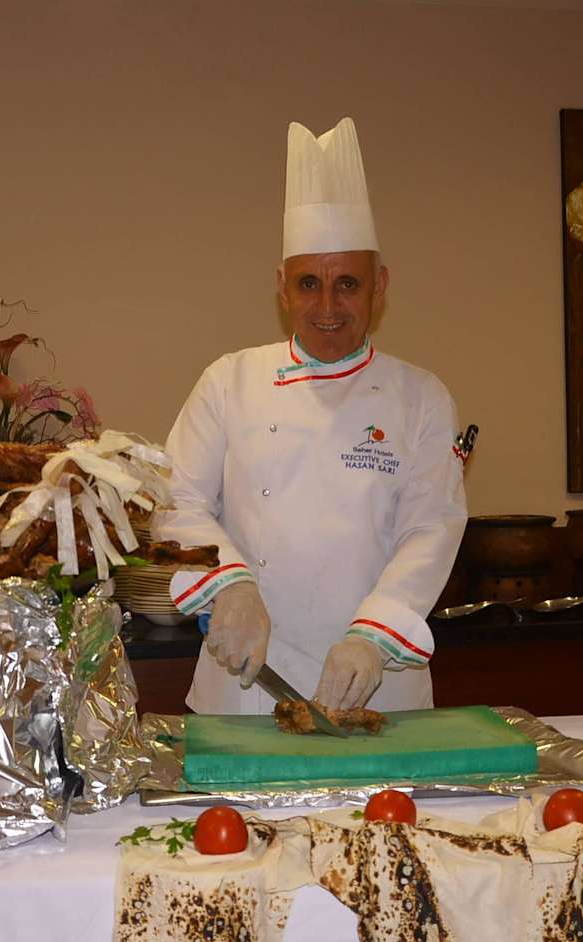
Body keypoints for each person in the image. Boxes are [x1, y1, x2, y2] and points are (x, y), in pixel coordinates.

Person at [155, 117, 467, 716]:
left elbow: (430, 529)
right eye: (308, 283)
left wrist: (373, 636)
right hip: (244, 690)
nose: (327, 306)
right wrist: (230, 584)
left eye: (347, 282)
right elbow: (175, 501)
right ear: (282, 287)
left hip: (379, 691)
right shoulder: (228, 381)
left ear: (379, 286)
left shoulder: (422, 397)